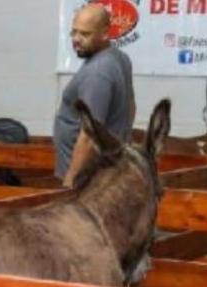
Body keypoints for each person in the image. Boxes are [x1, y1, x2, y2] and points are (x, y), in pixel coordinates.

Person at [53, 3, 135, 186]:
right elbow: (131, 106)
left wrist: (71, 180)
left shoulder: (97, 73)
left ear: (105, 33)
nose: (76, 39)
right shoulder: (119, 58)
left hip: (87, 180)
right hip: (106, 173)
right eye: (73, 32)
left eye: (85, 34)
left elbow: (89, 135)